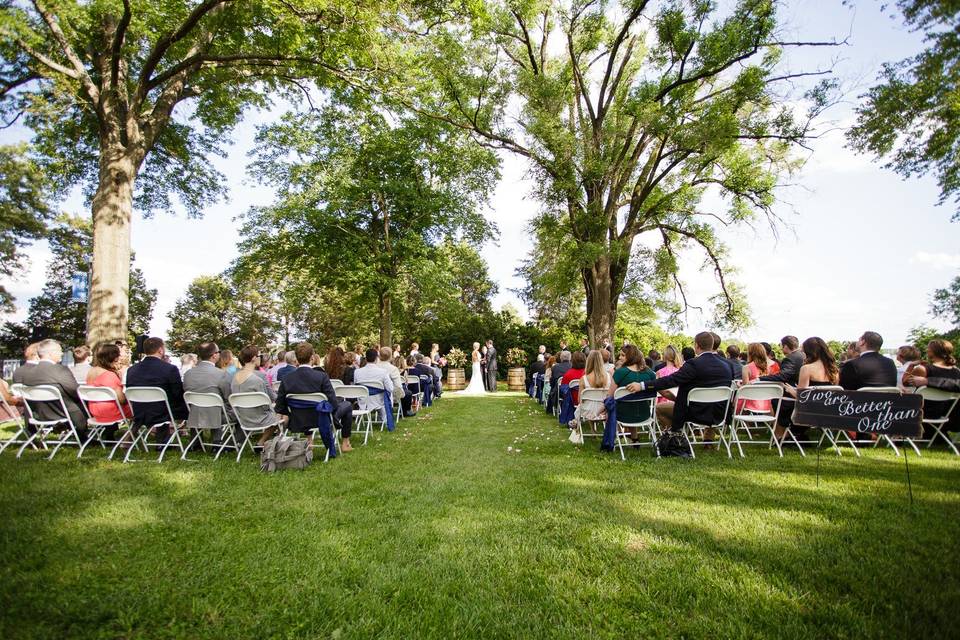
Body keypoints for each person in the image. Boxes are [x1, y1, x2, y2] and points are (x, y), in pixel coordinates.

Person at [631, 331, 734, 438]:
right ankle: (708, 442)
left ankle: (674, 437)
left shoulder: (693, 364)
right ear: (712, 345)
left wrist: (643, 385)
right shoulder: (727, 365)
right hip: (721, 413)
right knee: (710, 403)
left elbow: (671, 380)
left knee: (660, 408)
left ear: (697, 345)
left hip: (695, 413)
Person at [275, 342, 354, 452]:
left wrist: (293, 413)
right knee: (347, 405)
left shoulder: (287, 379)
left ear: (297, 359)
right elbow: (333, 404)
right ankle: (345, 443)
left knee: (309, 407)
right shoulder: (321, 376)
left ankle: (309, 441)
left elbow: (279, 406)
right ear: (312, 357)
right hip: (321, 419)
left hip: (298, 419)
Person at [17, 339, 89, 439]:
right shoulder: (60, 370)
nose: (62, 353)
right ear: (51, 353)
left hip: (38, 414)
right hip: (63, 413)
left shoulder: (27, 374)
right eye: (60, 351)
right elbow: (76, 392)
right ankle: (83, 436)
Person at [125, 337, 188, 443]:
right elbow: (177, 393)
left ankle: (159, 436)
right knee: (183, 402)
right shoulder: (170, 369)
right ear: (160, 350)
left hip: (138, 410)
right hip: (162, 411)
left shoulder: (132, 369)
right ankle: (166, 439)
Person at [780, 337, 840, 440]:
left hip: (808, 413)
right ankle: (797, 434)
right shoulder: (834, 370)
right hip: (829, 412)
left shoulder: (807, 368)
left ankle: (786, 434)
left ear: (808, 352)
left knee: (780, 402)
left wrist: (791, 390)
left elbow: (803, 397)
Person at [182, 341, 233, 443]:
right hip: (218, 415)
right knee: (238, 412)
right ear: (214, 355)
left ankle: (195, 442)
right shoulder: (221, 374)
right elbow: (229, 397)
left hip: (194, 414)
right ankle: (224, 442)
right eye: (219, 352)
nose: (219, 354)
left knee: (202, 406)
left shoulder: (188, 374)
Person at [229, 345, 280, 446]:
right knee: (281, 414)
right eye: (259, 356)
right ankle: (262, 442)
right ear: (253, 358)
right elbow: (267, 404)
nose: (260, 358)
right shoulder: (257, 379)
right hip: (259, 418)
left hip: (241, 417)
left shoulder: (234, 378)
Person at [85, 342, 133, 438]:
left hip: (95, 411)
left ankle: (110, 434)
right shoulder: (109, 375)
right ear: (114, 357)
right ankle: (131, 437)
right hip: (111, 412)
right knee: (140, 407)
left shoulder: (91, 371)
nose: (119, 358)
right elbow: (122, 400)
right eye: (118, 355)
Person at [609, 345, 656, 439]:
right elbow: (656, 386)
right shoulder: (649, 373)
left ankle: (614, 436)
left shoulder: (620, 372)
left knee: (609, 405)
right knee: (632, 404)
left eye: (623, 355)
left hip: (623, 416)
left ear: (630, 356)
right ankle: (635, 438)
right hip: (645, 415)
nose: (619, 357)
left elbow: (610, 396)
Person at [354, 348, 399, 422]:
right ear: (376, 358)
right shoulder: (383, 372)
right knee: (388, 392)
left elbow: (356, 387)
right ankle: (384, 417)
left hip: (363, 400)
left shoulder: (357, 372)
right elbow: (390, 388)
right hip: (379, 400)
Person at [574, 349, 611, 428]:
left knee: (585, 404)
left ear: (588, 361)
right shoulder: (608, 376)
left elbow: (579, 400)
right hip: (604, 410)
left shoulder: (584, 379)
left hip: (587, 410)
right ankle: (593, 429)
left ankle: (589, 429)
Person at [375, 346, 411, 415]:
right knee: (408, 393)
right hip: (388, 394)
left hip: (374, 395)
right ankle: (405, 412)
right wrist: (401, 394)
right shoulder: (393, 369)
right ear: (390, 356)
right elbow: (398, 386)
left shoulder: (374, 367)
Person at [739, 343, 772, 414]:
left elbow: (745, 389)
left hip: (750, 403)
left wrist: (739, 386)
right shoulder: (769, 368)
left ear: (750, 353)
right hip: (766, 404)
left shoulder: (747, 367)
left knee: (737, 399)